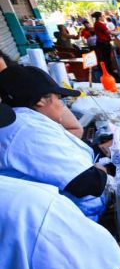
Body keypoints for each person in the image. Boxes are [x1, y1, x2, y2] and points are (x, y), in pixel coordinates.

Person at [0, 65, 109, 221]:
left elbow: (63, 155)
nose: (62, 105)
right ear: (41, 101)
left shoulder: (27, 121)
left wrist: (103, 149)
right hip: (72, 220)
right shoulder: (29, 131)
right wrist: (102, 168)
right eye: (59, 98)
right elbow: (90, 184)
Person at [91, 11, 119, 76]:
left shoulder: (97, 23)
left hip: (102, 42)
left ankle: (109, 71)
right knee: (107, 59)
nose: (103, 17)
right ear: (99, 17)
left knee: (106, 58)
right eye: (102, 16)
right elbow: (108, 32)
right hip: (103, 43)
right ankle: (109, 72)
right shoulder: (99, 24)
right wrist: (117, 33)